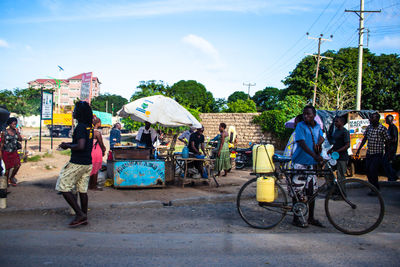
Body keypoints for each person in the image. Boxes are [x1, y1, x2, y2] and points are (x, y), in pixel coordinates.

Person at [55, 101, 93, 227]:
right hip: (87, 163)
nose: (73, 112)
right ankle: (84, 216)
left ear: (80, 113)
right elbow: (84, 143)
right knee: (82, 190)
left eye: (75, 110)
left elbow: (81, 146)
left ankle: (80, 214)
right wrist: (70, 143)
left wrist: (67, 146)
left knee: (63, 186)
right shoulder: (89, 127)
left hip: (77, 162)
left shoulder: (80, 127)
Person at [291, 105, 325, 228]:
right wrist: (314, 155)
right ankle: (296, 218)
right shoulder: (300, 126)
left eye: (309, 114)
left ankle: (311, 218)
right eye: (304, 114)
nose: (306, 116)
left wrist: (318, 143)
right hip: (300, 163)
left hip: (311, 164)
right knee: (297, 192)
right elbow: (302, 143)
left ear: (314, 115)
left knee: (312, 192)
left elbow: (321, 137)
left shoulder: (317, 126)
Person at [356, 112, 390, 193]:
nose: (370, 119)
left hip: (377, 154)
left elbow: (388, 140)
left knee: (373, 171)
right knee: (368, 171)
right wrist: (359, 149)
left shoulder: (382, 129)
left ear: (377, 119)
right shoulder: (369, 127)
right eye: (370, 117)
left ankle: (375, 188)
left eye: (372, 118)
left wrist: (387, 152)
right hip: (369, 153)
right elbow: (364, 139)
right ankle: (373, 187)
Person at [328, 116, 350, 185]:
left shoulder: (345, 132)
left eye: (337, 121)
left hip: (342, 157)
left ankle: (341, 193)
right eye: (335, 121)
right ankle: (332, 189)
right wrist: (331, 150)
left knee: (340, 176)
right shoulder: (336, 131)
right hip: (335, 156)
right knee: (328, 171)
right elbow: (335, 143)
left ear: (342, 122)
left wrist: (337, 151)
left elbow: (347, 145)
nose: (335, 123)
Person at [0, 117, 22, 186]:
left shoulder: (15, 132)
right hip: (6, 152)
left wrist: (18, 132)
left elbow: (20, 139)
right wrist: (0, 153)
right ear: (10, 124)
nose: (15, 125)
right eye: (13, 124)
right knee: (7, 169)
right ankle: (5, 184)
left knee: (17, 165)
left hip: (14, 151)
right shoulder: (4, 133)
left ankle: (11, 177)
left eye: (16, 124)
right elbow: (2, 143)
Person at [89, 116, 106, 191]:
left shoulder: (89, 131)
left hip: (90, 151)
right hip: (96, 151)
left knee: (91, 168)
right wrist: (104, 150)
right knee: (96, 169)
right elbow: (101, 143)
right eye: (100, 122)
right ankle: (94, 186)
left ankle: (90, 184)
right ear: (98, 123)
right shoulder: (97, 133)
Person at [383, 115, 398, 181]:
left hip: (391, 149)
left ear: (389, 119)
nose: (385, 120)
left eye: (386, 119)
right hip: (388, 149)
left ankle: (393, 176)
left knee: (386, 163)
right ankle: (391, 177)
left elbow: (395, 139)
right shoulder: (390, 127)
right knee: (386, 163)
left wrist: (387, 141)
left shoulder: (393, 127)